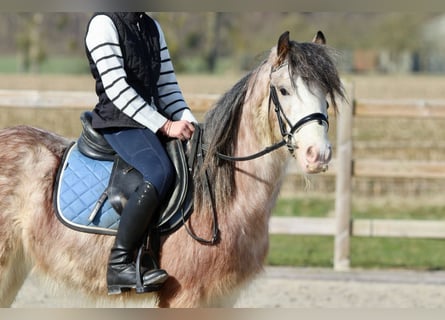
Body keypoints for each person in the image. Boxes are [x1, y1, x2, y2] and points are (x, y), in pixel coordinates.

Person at [84, 12, 197, 295]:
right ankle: (119, 263)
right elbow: (117, 89)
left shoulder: (151, 26)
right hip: (118, 122)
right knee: (159, 171)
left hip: (149, 121)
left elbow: (167, 86)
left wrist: (189, 121)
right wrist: (166, 125)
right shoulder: (103, 24)